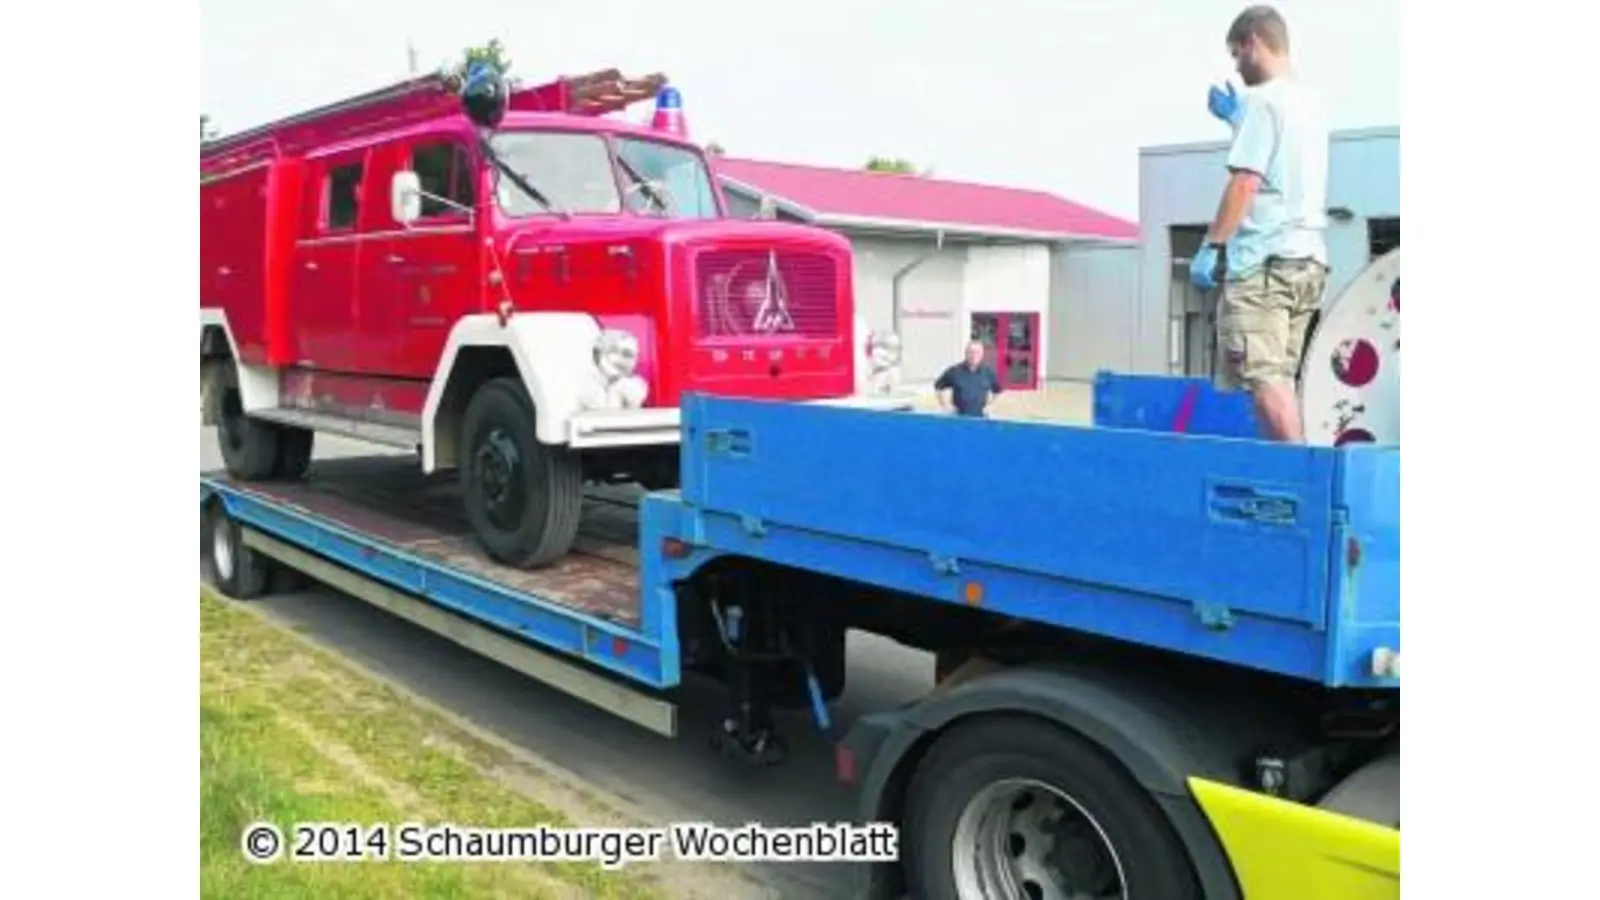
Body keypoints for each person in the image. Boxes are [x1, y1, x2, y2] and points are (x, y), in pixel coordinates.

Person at [1190, 5, 1331, 443]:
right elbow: (1282, 167)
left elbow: (1246, 183)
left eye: (1236, 54)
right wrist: (1237, 121)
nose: (1236, 65)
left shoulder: (1263, 102)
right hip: (1306, 259)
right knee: (1281, 378)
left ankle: (1302, 478)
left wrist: (1212, 245)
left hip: (1263, 263)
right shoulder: (1310, 103)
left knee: (1263, 376)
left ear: (1253, 42)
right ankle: (1293, 476)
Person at [935, 341, 1003, 417]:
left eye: (977, 352)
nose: (974, 356)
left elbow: (998, 391)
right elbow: (938, 386)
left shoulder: (989, 373)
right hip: (958, 417)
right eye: (971, 352)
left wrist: (990, 406)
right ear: (966, 353)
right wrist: (945, 405)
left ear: (982, 354)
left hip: (980, 418)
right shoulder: (954, 371)